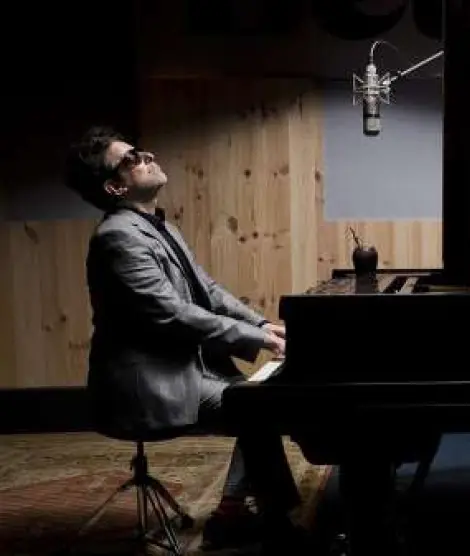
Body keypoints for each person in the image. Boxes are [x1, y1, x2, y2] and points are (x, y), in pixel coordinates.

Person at [64, 125, 308, 552]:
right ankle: (255, 521)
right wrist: (259, 340)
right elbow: (171, 313)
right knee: (258, 407)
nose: (146, 157)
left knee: (260, 403)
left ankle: (233, 511)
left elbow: (207, 290)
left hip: (185, 366)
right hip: (147, 383)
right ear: (114, 187)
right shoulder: (117, 237)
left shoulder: (161, 228)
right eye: (130, 159)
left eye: (142, 151)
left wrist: (262, 324)